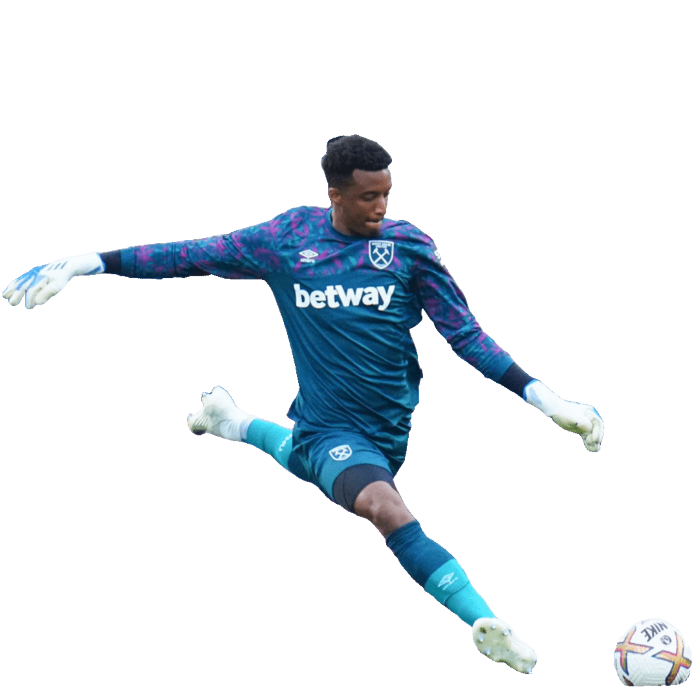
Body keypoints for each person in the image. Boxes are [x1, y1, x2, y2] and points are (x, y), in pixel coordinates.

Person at [3, 134, 604, 675]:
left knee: (327, 469)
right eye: (368, 197)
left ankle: (236, 424)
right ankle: (483, 621)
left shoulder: (409, 248)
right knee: (384, 508)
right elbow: (189, 255)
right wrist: (91, 263)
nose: (381, 207)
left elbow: (466, 337)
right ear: (335, 195)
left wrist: (547, 400)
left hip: (390, 427)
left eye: (387, 194)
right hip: (331, 426)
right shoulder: (288, 241)